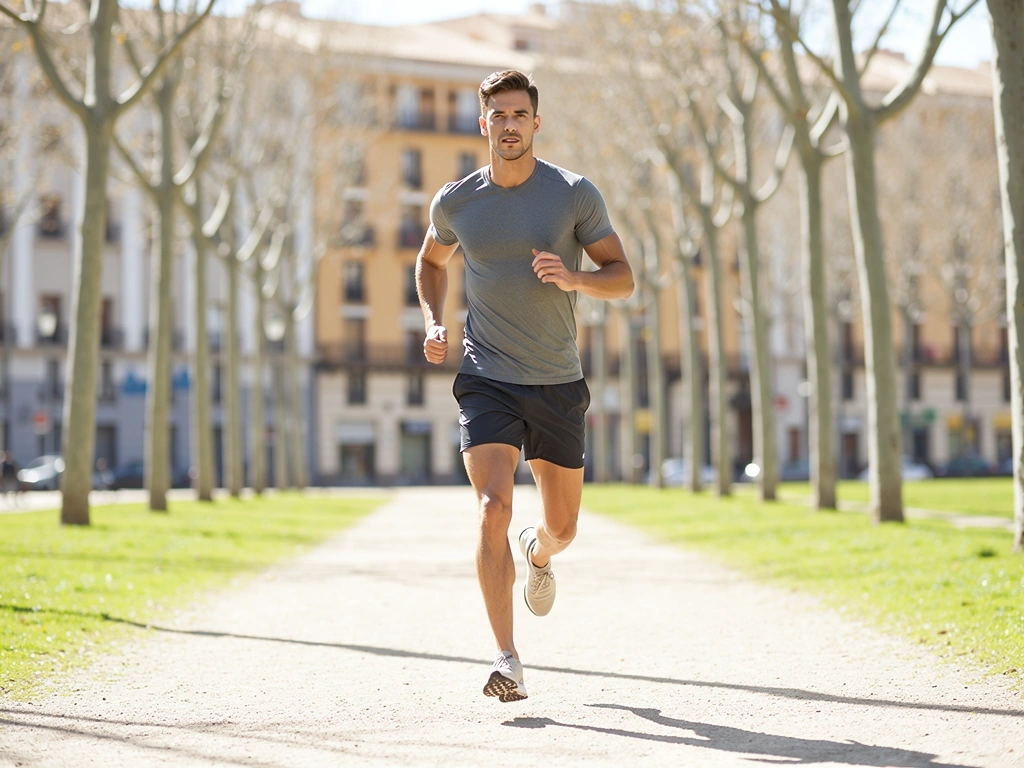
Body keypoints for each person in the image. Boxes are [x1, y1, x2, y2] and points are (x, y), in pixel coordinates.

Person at [416, 70, 634, 702]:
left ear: (536, 123)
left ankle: (538, 555)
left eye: (520, 115)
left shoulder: (572, 194)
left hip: (558, 380)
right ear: (482, 123)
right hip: (487, 378)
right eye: (498, 115)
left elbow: (622, 277)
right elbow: (431, 262)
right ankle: (507, 659)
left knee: (563, 527)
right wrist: (434, 321)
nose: (509, 125)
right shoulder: (457, 202)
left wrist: (575, 280)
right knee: (491, 508)